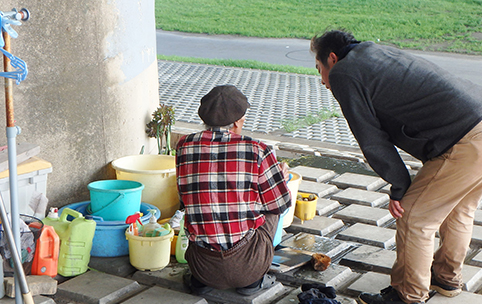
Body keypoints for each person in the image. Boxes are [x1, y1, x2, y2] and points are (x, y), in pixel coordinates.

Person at [310, 29, 482, 304]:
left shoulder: (344, 73)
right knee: (458, 209)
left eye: (319, 69)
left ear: (332, 58)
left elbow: (371, 138)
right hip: (476, 123)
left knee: (414, 218)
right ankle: (446, 279)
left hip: (464, 140)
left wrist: (400, 186)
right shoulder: (375, 52)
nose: (323, 81)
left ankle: (407, 295)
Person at [176, 84, 292, 296]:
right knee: (270, 208)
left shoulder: (184, 145)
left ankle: (202, 284)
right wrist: (278, 177)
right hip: (249, 267)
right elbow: (280, 204)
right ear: (238, 122)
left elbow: (184, 202)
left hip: (201, 267)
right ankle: (252, 283)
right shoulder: (258, 149)